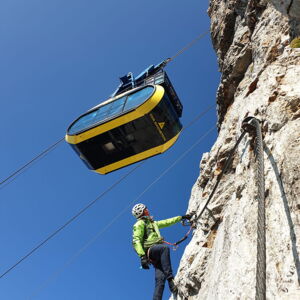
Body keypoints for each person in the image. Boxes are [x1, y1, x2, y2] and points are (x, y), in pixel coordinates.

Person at [132, 203, 192, 300]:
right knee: (164, 248)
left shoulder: (153, 223)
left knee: (160, 280)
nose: (147, 209)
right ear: (142, 212)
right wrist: (142, 256)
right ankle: (171, 280)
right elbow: (136, 240)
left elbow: (167, 222)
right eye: (145, 209)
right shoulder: (139, 224)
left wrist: (181, 217)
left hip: (156, 254)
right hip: (150, 250)